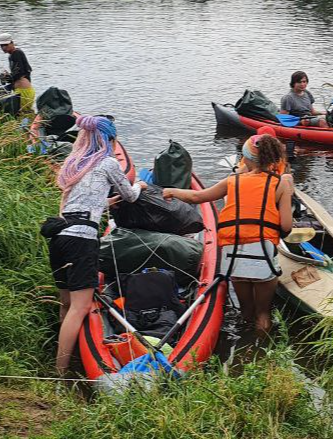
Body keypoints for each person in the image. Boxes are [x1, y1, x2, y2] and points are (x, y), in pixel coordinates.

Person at [164, 130, 293, 333]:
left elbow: (197, 197)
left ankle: (241, 349)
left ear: (246, 160)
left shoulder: (232, 181)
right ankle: (260, 353)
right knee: (263, 314)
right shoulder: (281, 183)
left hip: (233, 255)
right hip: (263, 254)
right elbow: (286, 226)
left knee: (246, 312)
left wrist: (171, 191)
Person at [47, 115, 146, 376]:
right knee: (80, 307)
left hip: (60, 236)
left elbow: (79, 202)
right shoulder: (108, 162)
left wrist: (106, 203)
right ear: (108, 140)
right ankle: (61, 372)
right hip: (82, 240)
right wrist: (140, 184)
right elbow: (130, 195)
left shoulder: (73, 162)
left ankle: (66, 352)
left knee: (66, 304)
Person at [0, 33, 35, 113]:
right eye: (1, 46)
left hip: (23, 91)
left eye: (6, 45)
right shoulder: (12, 55)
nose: (4, 47)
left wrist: (10, 77)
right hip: (22, 90)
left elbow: (19, 73)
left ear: (12, 43)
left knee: (21, 113)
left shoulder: (16, 53)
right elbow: (22, 71)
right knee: (22, 113)